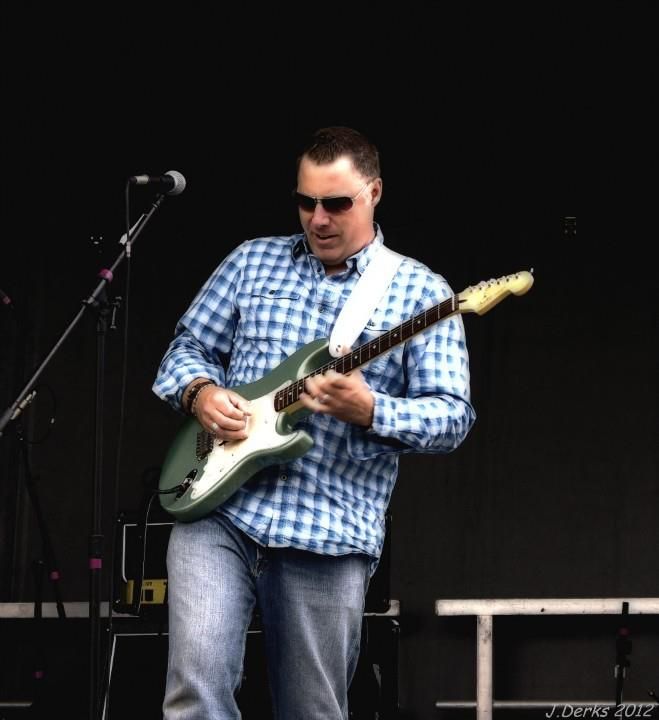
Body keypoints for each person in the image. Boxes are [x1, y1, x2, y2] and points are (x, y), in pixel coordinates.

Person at [152, 126, 476, 719]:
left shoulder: (422, 294)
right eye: (306, 202)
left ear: (375, 192)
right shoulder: (251, 261)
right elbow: (188, 348)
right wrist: (201, 393)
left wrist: (372, 409)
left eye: (337, 203)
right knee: (193, 695)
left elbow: (453, 416)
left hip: (329, 529)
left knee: (313, 710)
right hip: (219, 510)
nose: (318, 219)